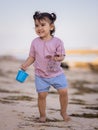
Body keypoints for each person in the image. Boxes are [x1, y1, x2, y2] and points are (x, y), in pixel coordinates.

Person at [21, 11, 70, 122]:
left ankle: (63, 112)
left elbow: (62, 56)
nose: (39, 28)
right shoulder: (35, 42)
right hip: (41, 75)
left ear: (51, 27)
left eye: (43, 25)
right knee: (42, 95)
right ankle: (42, 115)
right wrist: (25, 65)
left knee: (64, 92)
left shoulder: (57, 42)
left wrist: (58, 58)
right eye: (37, 25)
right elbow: (32, 57)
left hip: (57, 73)